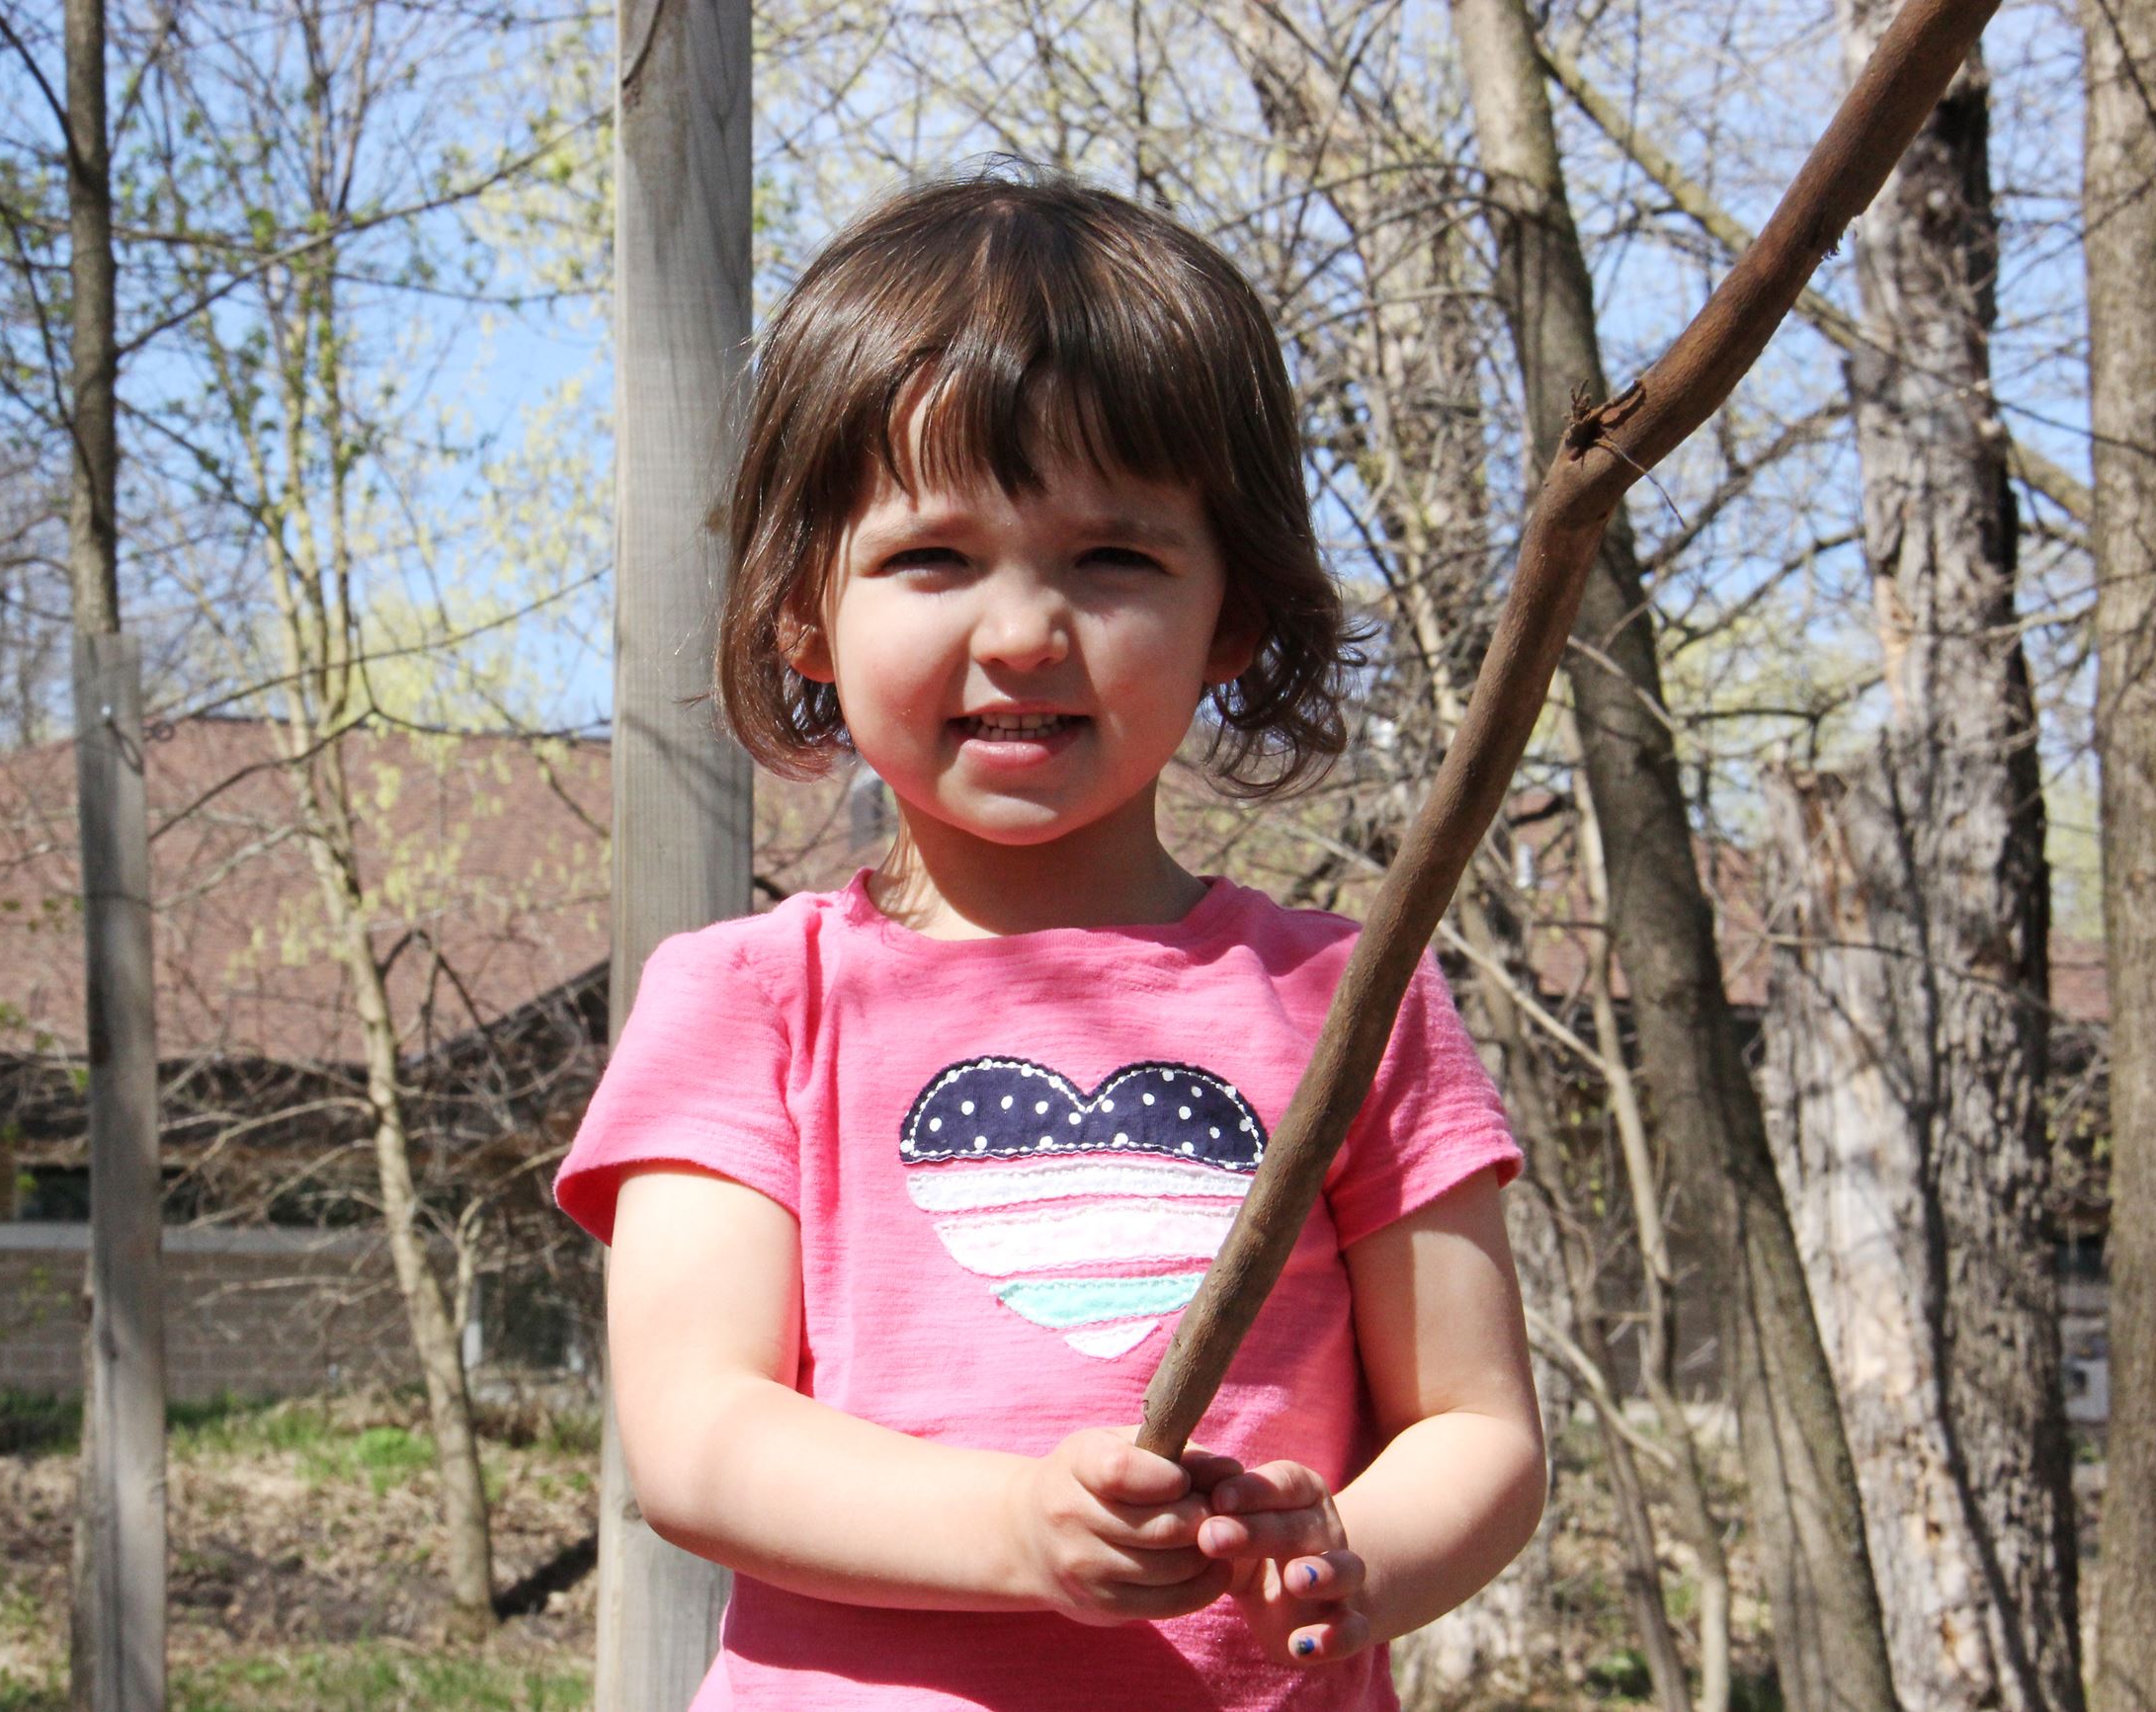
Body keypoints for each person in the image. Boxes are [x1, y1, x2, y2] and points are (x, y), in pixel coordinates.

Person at [555, 162, 1545, 1711]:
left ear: (1234, 617)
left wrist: (1353, 1550)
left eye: (1115, 558)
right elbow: (695, 1433)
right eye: (932, 557)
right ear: (804, 609)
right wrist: (1015, 1528)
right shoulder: (751, 1001)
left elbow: (1478, 1429)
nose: (1022, 628)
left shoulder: (1350, 1004)